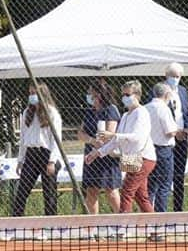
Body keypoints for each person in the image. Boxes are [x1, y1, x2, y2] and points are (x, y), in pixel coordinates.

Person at [86, 81, 156, 214]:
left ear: (137, 95)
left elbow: (137, 137)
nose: (124, 97)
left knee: (126, 191)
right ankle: (155, 228)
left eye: (127, 94)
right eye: (123, 94)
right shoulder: (125, 115)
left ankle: (123, 227)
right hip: (130, 157)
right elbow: (115, 141)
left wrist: (113, 134)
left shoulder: (142, 113)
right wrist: (97, 153)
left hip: (144, 157)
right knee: (141, 196)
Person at [12, 83, 62, 218]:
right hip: (31, 154)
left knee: (49, 193)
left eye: (34, 93)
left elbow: (56, 140)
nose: (31, 96)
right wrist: (20, 160)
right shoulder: (27, 112)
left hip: (46, 154)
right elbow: (23, 138)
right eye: (30, 93)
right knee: (22, 191)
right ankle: (16, 223)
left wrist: (52, 161)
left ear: (42, 95)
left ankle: (51, 225)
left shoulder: (52, 112)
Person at [77, 78, 122, 215]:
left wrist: (99, 146)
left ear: (99, 94)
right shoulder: (90, 111)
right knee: (91, 191)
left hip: (107, 157)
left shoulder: (111, 110)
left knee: (111, 191)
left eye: (91, 92)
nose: (89, 95)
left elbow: (109, 135)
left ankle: (124, 223)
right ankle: (93, 226)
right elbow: (80, 133)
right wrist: (91, 140)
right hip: (91, 157)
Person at [144, 82, 180, 213]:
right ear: (166, 94)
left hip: (147, 150)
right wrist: (177, 130)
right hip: (163, 150)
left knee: (150, 186)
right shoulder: (164, 108)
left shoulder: (145, 107)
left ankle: (148, 215)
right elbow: (170, 131)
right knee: (164, 186)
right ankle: (161, 217)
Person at [162, 63, 188, 211]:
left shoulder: (183, 91)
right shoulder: (159, 90)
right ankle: (162, 210)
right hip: (166, 139)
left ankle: (178, 209)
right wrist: (174, 131)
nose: (174, 79)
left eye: (177, 76)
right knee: (165, 176)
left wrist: (186, 129)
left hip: (182, 139)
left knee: (179, 176)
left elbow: (187, 113)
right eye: (172, 76)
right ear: (166, 76)